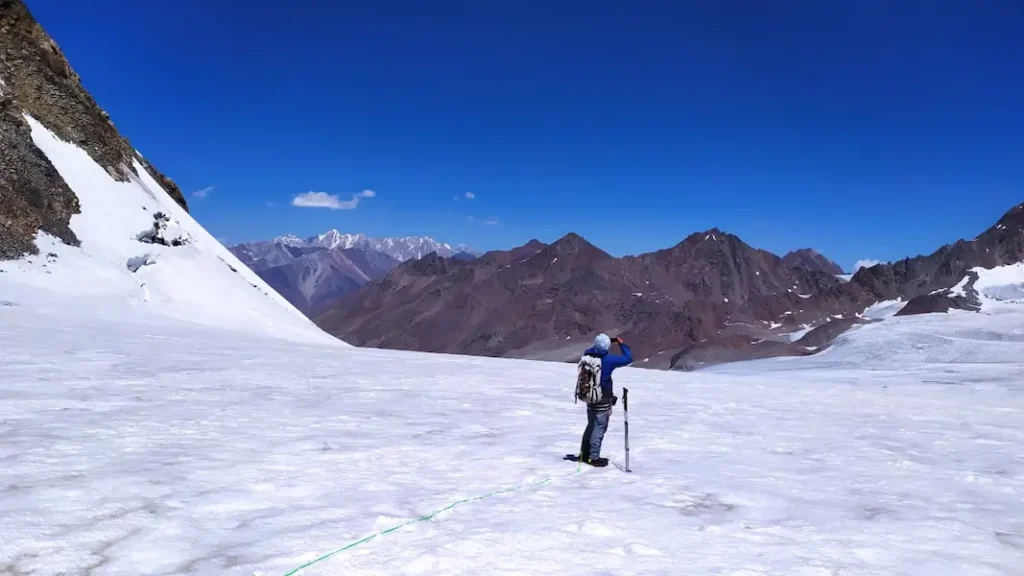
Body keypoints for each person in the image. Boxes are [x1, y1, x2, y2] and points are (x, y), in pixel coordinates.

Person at [579, 333, 633, 467]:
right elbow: (628, 358)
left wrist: (602, 343)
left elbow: (593, 348)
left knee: (591, 425)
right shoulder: (608, 360)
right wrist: (621, 343)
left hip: (589, 396)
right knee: (599, 427)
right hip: (602, 398)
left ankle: (584, 454)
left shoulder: (587, 355)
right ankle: (593, 457)